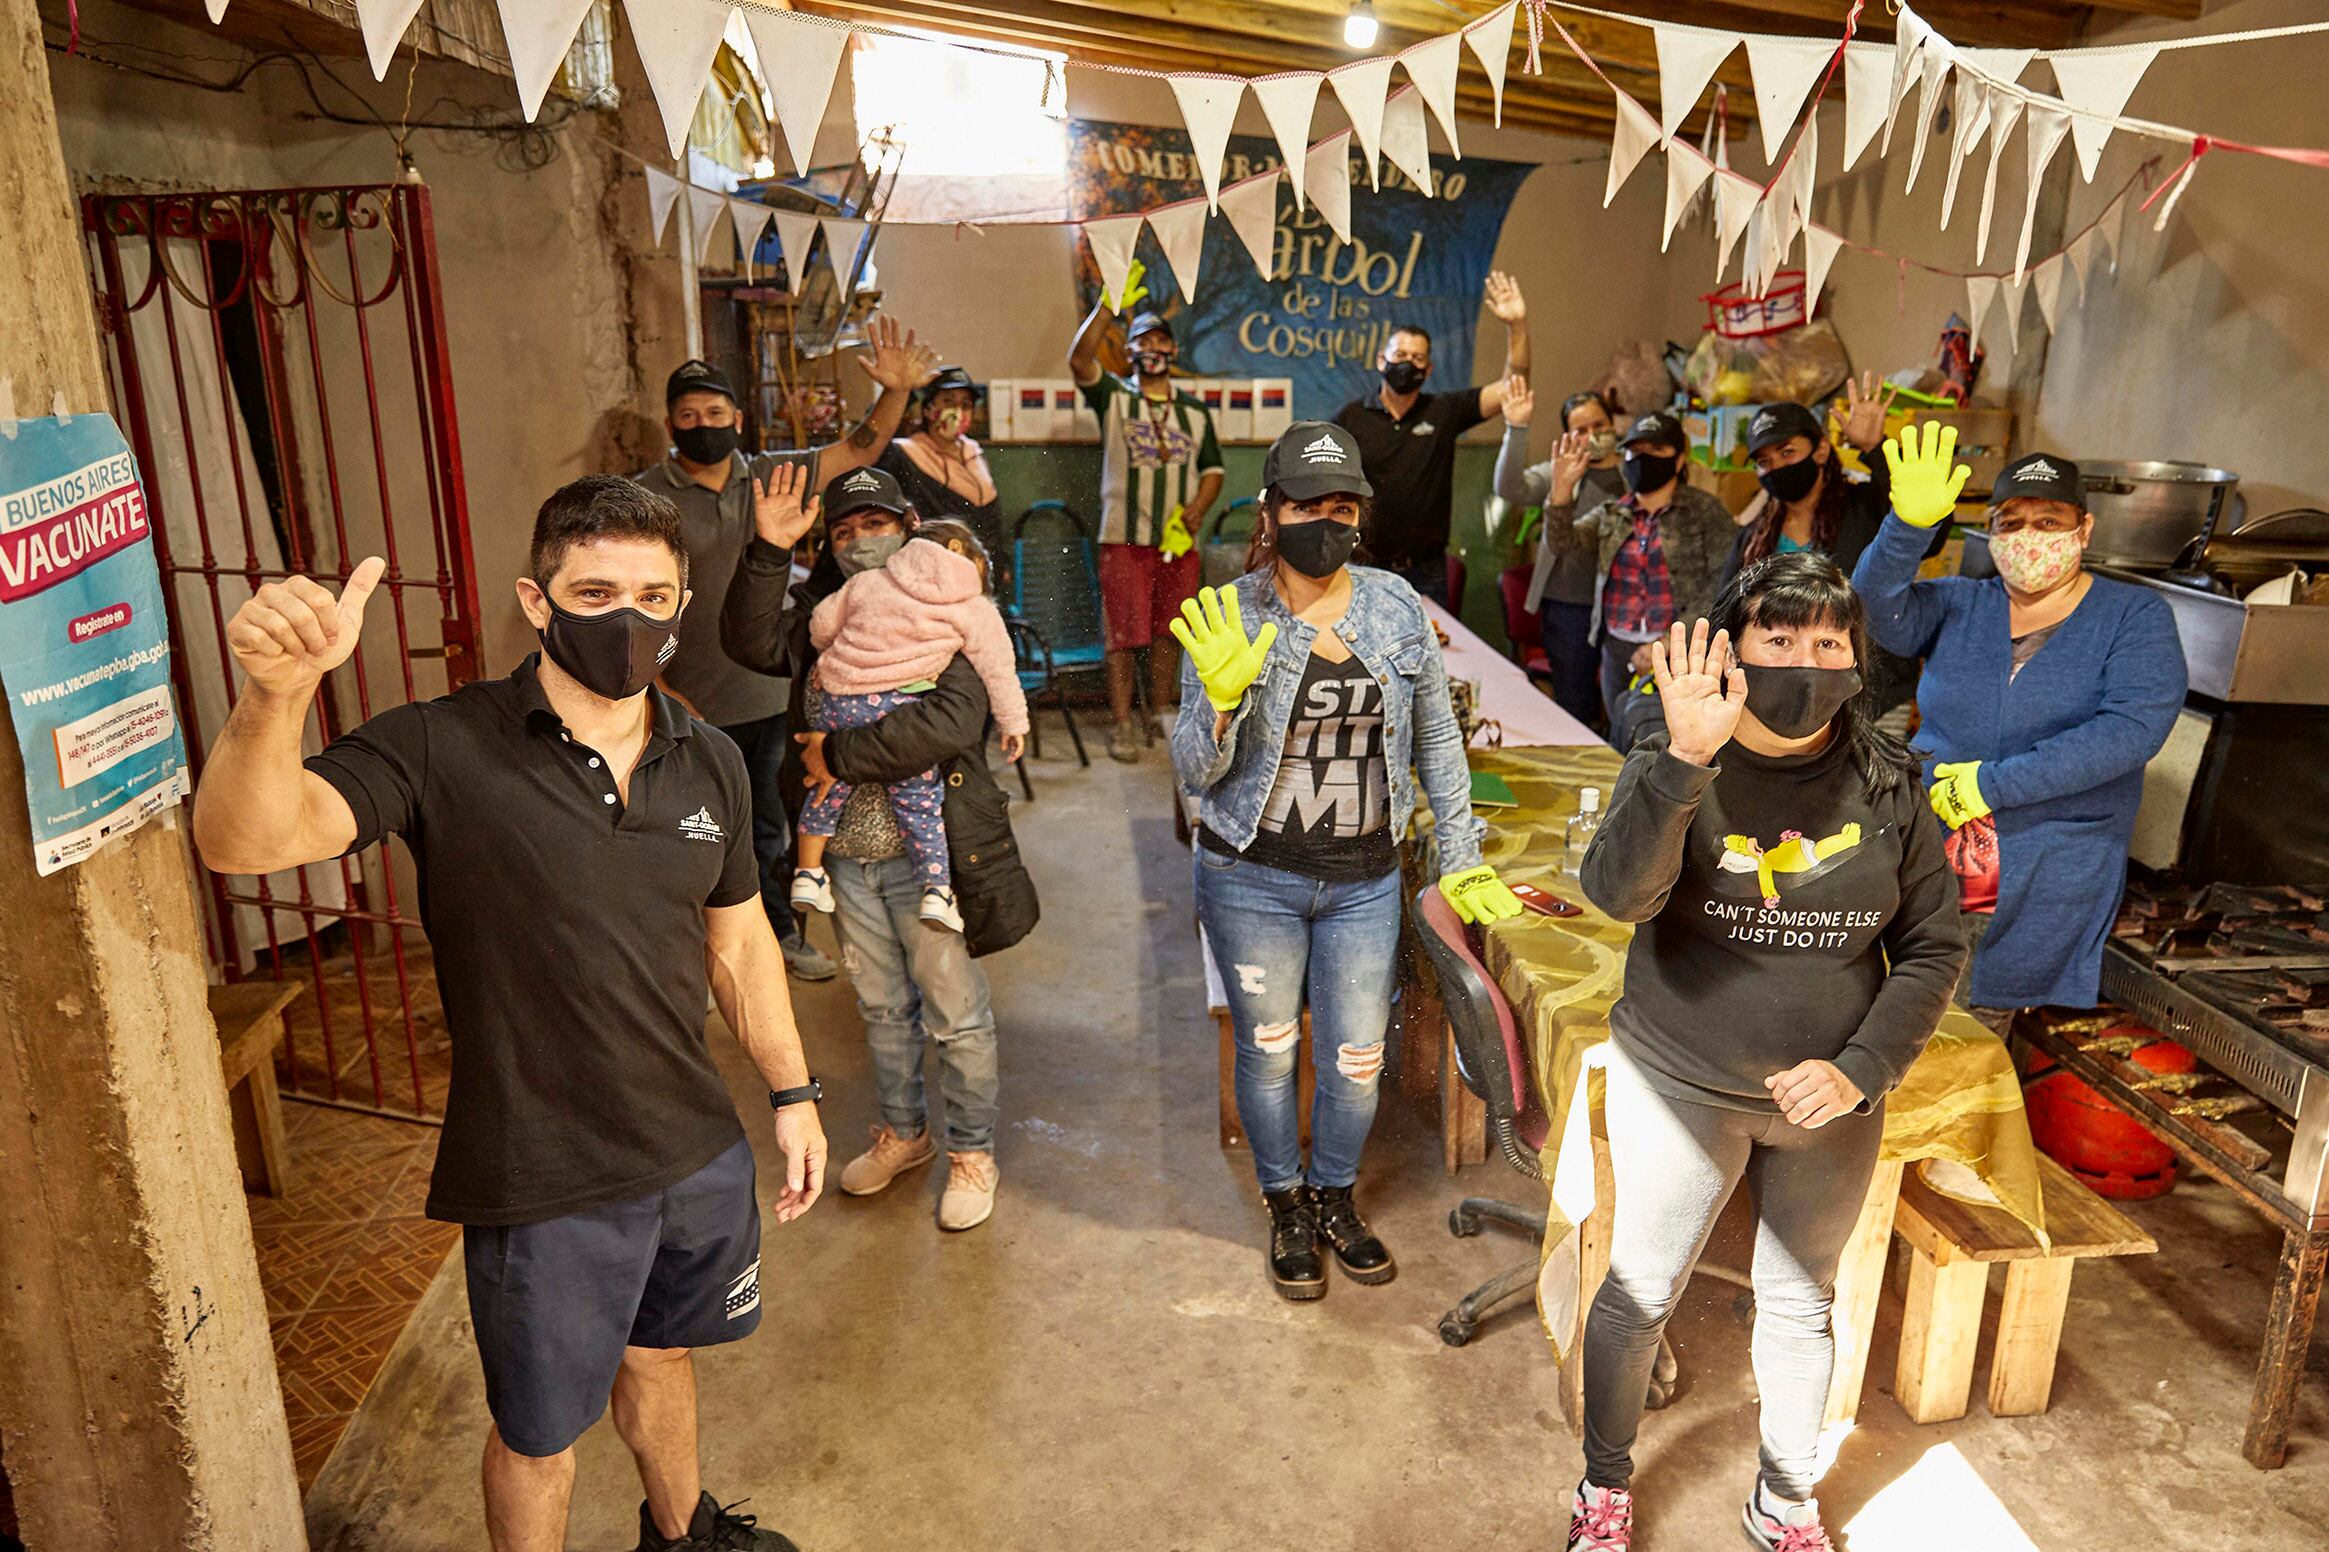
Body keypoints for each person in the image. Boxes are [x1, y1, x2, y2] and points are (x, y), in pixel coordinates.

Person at [191, 477, 827, 1552]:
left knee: (663, 1355)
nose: (628, 619)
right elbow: (248, 839)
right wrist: (273, 699)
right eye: (595, 591)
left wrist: (793, 1090)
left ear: (679, 607)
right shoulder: (443, 745)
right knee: (538, 1435)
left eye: (653, 594)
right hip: (542, 1175)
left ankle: (684, 1536)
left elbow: (740, 942)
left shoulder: (707, 756)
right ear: (537, 601)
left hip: (688, 1144)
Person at [1566, 553, 1966, 1552]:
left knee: (1802, 1305)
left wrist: (1860, 1069)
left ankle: (1785, 1498)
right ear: (1731, 651)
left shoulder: (1887, 780)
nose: (1805, 659)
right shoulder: (1676, 753)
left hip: (1826, 1105)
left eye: (1828, 641)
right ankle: (1602, 1488)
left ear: (1856, 659)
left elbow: (1931, 944)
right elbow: (1617, 897)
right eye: (1778, 638)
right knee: (1640, 1291)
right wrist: (1683, 763)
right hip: (1682, 1081)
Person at [1169, 420, 1524, 1302]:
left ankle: (1333, 1194)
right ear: (1270, 511)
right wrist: (1216, 707)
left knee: (1356, 1059)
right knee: (1268, 1047)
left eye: (1340, 506)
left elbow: (1438, 739)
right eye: (1305, 505)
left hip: (1365, 878)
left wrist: (1459, 852)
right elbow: (1189, 772)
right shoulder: (1230, 609)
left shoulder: (1395, 605)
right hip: (1250, 874)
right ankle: (1283, 1199)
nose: (1323, 522)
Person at [723, 464, 1037, 1231]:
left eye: (876, 524)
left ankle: (971, 1150)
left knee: (955, 1013)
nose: (862, 541)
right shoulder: (833, 615)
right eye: (844, 531)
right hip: (846, 858)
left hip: (934, 854)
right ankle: (906, 1134)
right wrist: (769, 550)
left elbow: (952, 721)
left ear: (907, 524)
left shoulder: (942, 601)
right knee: (881, 1009)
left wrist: (838, 755)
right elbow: (750, 641)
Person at [635, 317, 941, 982]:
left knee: (772, 827)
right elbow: (629, 606)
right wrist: (654, 689)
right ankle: (697, 961)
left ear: (738, 420)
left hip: (771, 695)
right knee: (692, 835)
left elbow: (857, 451)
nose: (701, 423)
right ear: (669, 425)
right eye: (687, 414)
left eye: (714, 411)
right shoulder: (643, 500)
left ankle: (779, 939)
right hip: (684, 700)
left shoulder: (775, 477)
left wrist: (893, 392)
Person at [1852, 430, 2186, 1016]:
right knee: (1897, 1006)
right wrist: (1907, 527)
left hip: (2046, 863)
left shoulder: (2134, 617)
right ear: (1991, 533)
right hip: (1932, 848)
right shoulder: (1960, 602)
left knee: (1976, 1024)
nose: (2028, 537)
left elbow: (2130, 730)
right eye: (2010, 522)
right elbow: (1873, 607)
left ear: (2085, 529)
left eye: (2050, 522)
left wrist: (1991, 784)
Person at [790, 496, 1030, 934]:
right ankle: (937, 890)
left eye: (875, 525)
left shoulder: (870, 583)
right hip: (898, 706)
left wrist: (839, 652)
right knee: (920, 806)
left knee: (824, 792)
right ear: (963, 555)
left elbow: (821, 625)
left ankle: (807, 875)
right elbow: (999, 668)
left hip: (841, 705)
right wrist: (1015, 723)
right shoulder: (973, 608)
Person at [1067, 285, 1226, 763]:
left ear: (1174, 350)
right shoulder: (1114, 398)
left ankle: (1159, 714)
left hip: (1178, 545)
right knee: (1122, 635)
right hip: (1123, 538)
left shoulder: (1195, 412)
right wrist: (1107, 309)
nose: (1154, 349)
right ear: (1130, 350)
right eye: (1143, 341)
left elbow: (1213, 470)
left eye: (1162, 341)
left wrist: (1199, 505)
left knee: (1169, 633)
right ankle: (1121, 725)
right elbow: (1079, 361)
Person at [1718, 375, 1936, 721]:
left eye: (1787, 452)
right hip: (1778, 705)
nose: (1776, 467)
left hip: (1873, 697)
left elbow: (1927, 535)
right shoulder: (1755, 536)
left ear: (1820, 450)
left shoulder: (1865, 509)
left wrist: (1874, 447)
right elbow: (1725, 613)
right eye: (1764, 461)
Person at [1332, 271, 1531, 608]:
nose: (1407, 364)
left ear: (1429, 370)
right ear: (1382, 361)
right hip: (1361, 567)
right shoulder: (1350, 419)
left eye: (1417, 358)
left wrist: (1517, 325)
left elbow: (1514, 387)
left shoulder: (1443, 411)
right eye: (1399, 355)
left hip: (1425, 573)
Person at [1571, 411, 1737, 740]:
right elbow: (1561, 542)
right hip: (1617, 645)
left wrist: (1668, 641)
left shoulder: (1704, 511)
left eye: (1656, 451)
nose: (1643, 459)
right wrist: (1560, 494)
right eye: (1635, 451)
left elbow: (1724, 585)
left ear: (1678, 461)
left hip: (1679, 651)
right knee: (1620, 734)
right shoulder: (1614, 511)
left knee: (1666, 741)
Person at [1493, 382, 1625, 724]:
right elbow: (1509, 487)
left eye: (1600, 426)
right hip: (1569, 607)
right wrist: (1517, 429)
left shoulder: (1635, 471)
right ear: (1568, 435)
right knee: (1575, 703)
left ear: (1614, 424)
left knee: (1621, 702)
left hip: (1624, 604)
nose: (1592, 435)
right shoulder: (1560, 471)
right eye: (1581, 430)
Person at [877, 364, 1005, 568]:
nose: (957, 412)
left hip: (984, 569)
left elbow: (992, 516)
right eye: (948, 402)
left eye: (966, 405)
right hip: (936, 568)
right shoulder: (905, 454)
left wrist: (1000, 563)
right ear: (928, 409)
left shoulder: (974, 453)